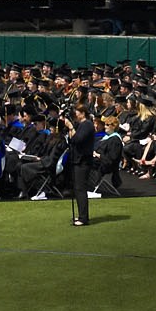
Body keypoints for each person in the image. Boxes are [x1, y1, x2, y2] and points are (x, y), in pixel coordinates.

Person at [64, 97, 97, 226]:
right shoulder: (81, 125)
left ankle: (84, 217)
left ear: (83, 113)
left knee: (80, 189)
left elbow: (77, 139)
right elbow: (72, 140)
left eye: (77, 112)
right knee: (78, 189)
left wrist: (71, 127)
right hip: (78, 160)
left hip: (83, 161)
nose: (75, 114)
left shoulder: (87, 124)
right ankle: (81, 215)